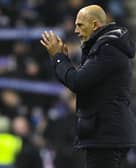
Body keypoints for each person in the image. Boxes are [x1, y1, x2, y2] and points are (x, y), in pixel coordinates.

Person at [40, 5, 136, 168]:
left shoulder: (107, 50)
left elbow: (77, 82)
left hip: (106, 135)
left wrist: (58, 58)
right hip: (109, 133)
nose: (76, 30)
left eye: (80, 25)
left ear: (95, 25)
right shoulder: (106, 47)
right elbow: (80, 81)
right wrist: (63, 60)